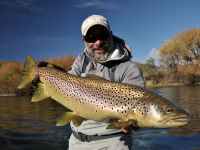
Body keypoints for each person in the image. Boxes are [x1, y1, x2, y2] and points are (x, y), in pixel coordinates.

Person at [67, 14, 145, 150]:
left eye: (102, 35)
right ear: (84, 40)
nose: (98, 42)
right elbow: (67, 84)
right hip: (76, 141)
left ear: (110, 34)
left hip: (112, 142)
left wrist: (132, 124)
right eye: (91, 38)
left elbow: (140, 108)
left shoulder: (128, 67)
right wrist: (46, 76)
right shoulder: (81, 60)